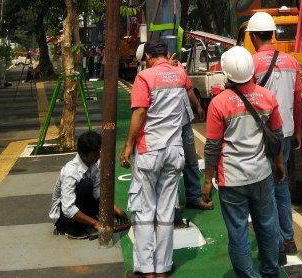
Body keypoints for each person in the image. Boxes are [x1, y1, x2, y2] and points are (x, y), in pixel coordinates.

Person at [202, 46, 285, 278]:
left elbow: (212, 146)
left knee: (238, 231)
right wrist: (279, 164)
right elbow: (277, 136)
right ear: (250, 71)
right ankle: (270, 271)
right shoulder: (267, 97)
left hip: (232, 179)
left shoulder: (219, 104)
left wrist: (207, 180)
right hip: (261, 174)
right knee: (267, 225)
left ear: (227, 74)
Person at [120, 40, 189, 277]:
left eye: (145, 59)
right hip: (174, 151)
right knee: (166, 212)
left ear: (149, 56)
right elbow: (182, 83)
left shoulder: (145, 78)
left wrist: (128, 145)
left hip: (150, 151)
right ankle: (163, 267)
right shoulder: (180, 73)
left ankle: (147, 268)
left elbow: (140, 111)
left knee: (144, 211)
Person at [247, 11, 301, 256]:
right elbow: (297, 101)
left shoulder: (253, 64)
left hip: (263, 136)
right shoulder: (292, 62)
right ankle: (288, 240)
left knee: (266, 190)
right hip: (286, 132)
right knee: (282, 186)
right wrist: (297, 131)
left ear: (254, 37)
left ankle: (276, 245)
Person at [135, 42, 212, 212]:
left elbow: (189, 88)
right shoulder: (146, 75)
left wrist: (198, 106)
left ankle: (192, 197)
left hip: (181, 121)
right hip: (166, 125)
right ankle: (172, 204)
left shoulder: (176, 69)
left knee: (189, 160)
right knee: (171, 163)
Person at [49, 131, 128, 239]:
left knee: (93, 189)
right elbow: (68, 209)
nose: (99, 156)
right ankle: (73, 229)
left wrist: (113, 208)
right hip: (63, 215)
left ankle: (87, 220)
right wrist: (95, 223)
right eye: (95, 154)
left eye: (99, 151)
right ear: (83, 154)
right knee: (86, 184)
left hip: (80, 203)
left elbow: (97, 193)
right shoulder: (70, 172)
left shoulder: (94, 163)